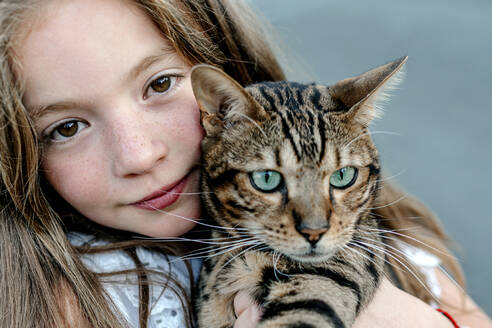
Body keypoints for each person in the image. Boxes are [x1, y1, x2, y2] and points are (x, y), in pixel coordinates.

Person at [0, 0, 489, 327]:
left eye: (161, 84)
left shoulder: (393, 240)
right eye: (66, 128)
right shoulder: (62, 298)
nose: (139, 156)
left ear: (220, 64)